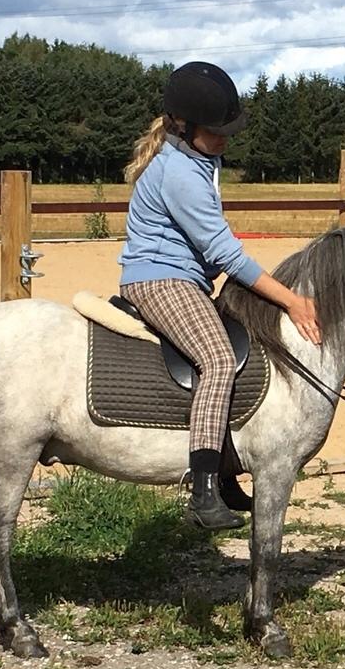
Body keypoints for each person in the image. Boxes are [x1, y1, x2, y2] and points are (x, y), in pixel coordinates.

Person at [119, 61, 321, 531]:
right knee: (217, 358)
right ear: (183, 126)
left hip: (187, 278)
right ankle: (204, 490)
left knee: (240, 340)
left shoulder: (198, 160)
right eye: (215, 131)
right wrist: (290, 300)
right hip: (160, 280)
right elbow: (224, 251)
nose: (224, 139)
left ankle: (227, 470)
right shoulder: (179, 173)